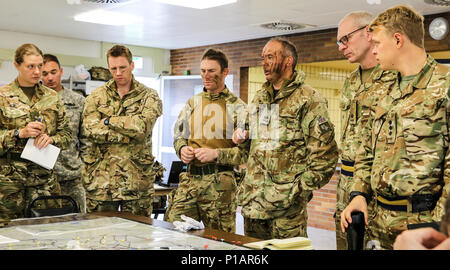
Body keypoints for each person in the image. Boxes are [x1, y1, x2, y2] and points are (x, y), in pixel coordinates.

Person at [341, 5, 450, 249]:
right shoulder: (382, 90)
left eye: (378, 43)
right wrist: (358, 194)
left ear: (398, 40)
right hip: (376, 223)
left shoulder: (444, 87)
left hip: (422, 226)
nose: (374, 50)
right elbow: (365, 152)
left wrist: (438, 228)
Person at [233, 37, 338, 240]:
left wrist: (296, 192)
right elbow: (249, 142)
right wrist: (241, 136)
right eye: (263, 58)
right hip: (253, 207)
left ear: (288, 61)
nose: (263, 63)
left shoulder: (309, 99)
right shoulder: (260, 97)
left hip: (286, 213)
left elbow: (325, 157)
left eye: (270, 57)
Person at [164, 48, 249, 233]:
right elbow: (178, 136)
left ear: (225, 72)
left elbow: (245, 154)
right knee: (172, 231)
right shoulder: (192, 103)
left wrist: (216, 154)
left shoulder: (238, 107)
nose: (206, 75)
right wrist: (182, 149)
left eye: (211, 71)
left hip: (220, 185)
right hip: (189, 180)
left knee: (220, 240)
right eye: (203, 71)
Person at [335, 11, 397, 250]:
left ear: (368, 33)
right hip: (347, 184)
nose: (342, 47)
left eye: (345, 39)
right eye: (339, 42)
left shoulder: (395, 75)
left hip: (378, 191)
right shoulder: (351, 81)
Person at [82, 45, 162, 216]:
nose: (118, 73)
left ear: (132, 66)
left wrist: (110, 120)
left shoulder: (149, 96)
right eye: (113, 68)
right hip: (101, 182)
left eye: (122, 67)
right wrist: (128, 134)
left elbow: (142, 127)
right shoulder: (96, 96)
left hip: (136, 182)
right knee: (98, 237)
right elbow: (90, 130)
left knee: (138, 237)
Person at [0, 43, 71, 223]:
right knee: (8, 236)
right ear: (17, 65)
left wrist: (52, 138)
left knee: (46, 234)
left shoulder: (52, 97)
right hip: (9, 185)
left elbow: (68, 134)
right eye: (31, 66)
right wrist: (19, 133)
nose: (37, 71)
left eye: (40, 66)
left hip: (44, 182)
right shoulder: (3, 96)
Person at [41, 54, 89, 213]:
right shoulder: (33, 102)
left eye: (53, 72)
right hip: (42, 178)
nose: (49, 77)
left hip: (71, 176)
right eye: (45, 73)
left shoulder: (78, 101)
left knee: (78, 228)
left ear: (61, 72)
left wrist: (84, 168)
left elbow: (86, 140)